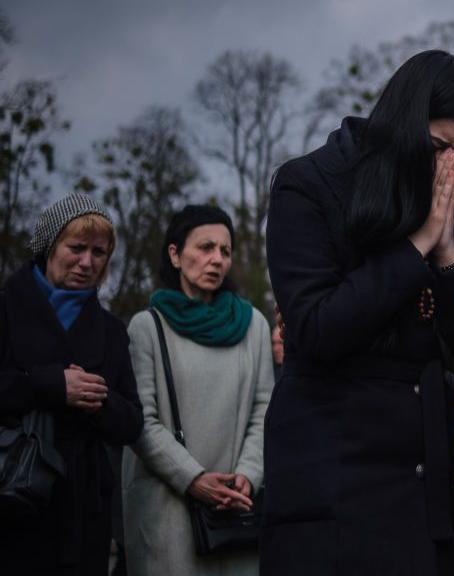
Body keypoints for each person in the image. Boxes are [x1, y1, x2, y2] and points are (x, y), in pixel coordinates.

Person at [262, 50, 454, 575]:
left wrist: (447, 256)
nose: (450, 168)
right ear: (405, 126)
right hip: (333, 486)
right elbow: (316, 328)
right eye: (436, 146)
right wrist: (417, 246)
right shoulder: (309, 185)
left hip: (425, 494)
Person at [122, 205, 274, 576]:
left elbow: (264, 409)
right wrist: (193, 479)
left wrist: (248, 475)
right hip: (167, 513)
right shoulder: (147, 327)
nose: (217, 259)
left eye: (225, 251)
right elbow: (141, 421)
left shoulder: (253, 325)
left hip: (236, 510)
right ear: (175, 254)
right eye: (205, 247)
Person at [0, 193, 143, 575]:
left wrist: (98, 399)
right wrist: (52, 385)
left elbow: (132, 423)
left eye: (99, 252)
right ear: (49, 247)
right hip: (11, 497)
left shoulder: (111, 331)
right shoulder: (7, 309)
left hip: (83, 512)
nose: (87, 262)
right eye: (77, 248)